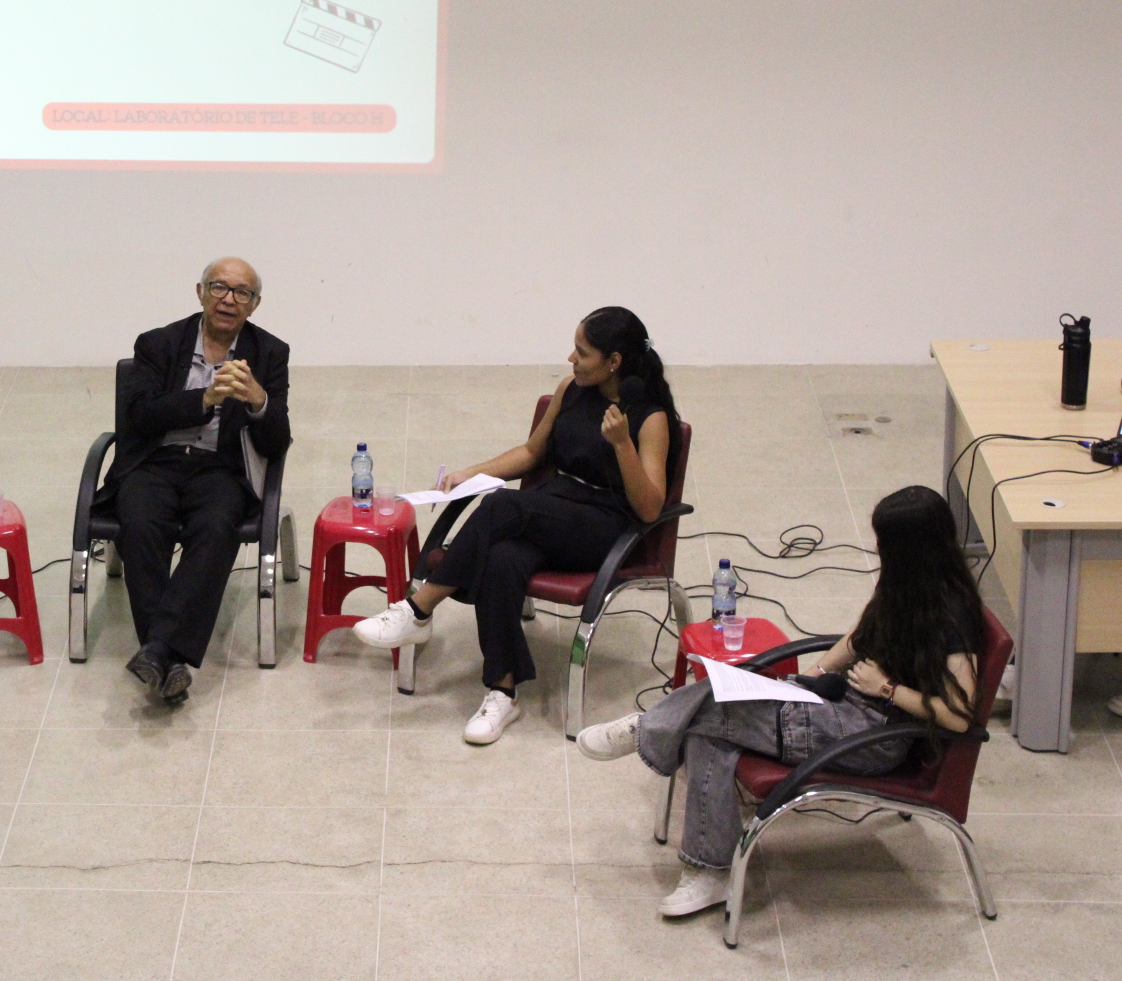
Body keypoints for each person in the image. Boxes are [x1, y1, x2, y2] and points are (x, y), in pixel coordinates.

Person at [574, 484, 987, 918]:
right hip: (842, 708)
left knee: (714, 709)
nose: (877, 550)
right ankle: (709, 872)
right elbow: (858, 638)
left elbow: (959, 717)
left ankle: (646, 730)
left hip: (872, 737)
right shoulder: (907, 586)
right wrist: (813, 676)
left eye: (885, 543)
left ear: (911, 549)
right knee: (712, 722)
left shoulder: (953, 615)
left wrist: (887, 688)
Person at [353, 307, 680, 745]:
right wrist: (472, 472)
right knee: (503, 558)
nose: (571, 359)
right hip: (556, 510)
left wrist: (622, 445)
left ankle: (419, 609)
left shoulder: (649, 417)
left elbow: (649, 508)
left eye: (582, 352)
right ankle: (502, 692)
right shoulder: (571, 390)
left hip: (606, 527)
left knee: (503, 505)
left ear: (614, 361)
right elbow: (531, 453)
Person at [103, 258, 291, 704]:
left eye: (241, 293)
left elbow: (276, 443)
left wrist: (260, 401)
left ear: (254, 305)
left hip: (220, 467)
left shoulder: (270, 352)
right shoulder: (159, 343)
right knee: (141, 523)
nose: (228, 300)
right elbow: (138, 416)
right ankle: (168, 658)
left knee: (216, 527)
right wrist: (204, 399)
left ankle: (157, 650)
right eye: (219, 287)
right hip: (155, 461)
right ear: (200, 293)